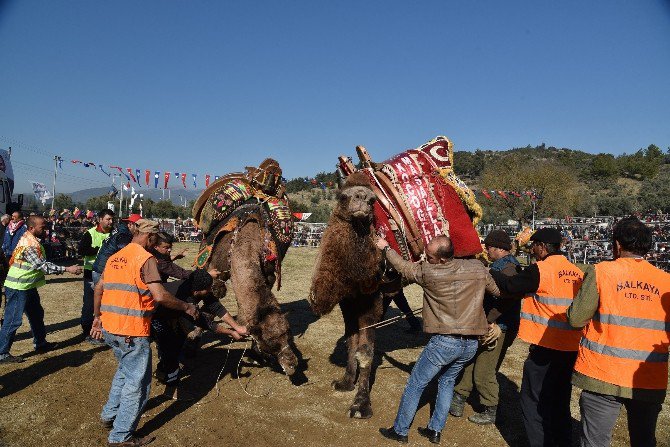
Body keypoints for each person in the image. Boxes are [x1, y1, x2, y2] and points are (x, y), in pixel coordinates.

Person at [377, 235, 501, 444]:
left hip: (445, 342)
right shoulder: (477, 267)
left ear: (443, 259)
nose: (425, 258)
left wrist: (386, 247)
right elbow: (496, 291)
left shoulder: (428, 272)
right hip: (470, 344)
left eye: (430, 257)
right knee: (447, 382)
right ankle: (435, 431)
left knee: (416, 384)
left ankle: (400, 430)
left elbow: (403, 267)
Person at [90, 219, 198, 447]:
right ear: (149, 238)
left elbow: (99, 288)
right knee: (138, 383)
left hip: (111, 327)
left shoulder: (115, 257)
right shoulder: (145, 259)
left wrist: (97, 317)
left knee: (123, 372)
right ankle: (121, 436)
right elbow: (160, 296)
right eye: (156, 239)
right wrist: (186, 306)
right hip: (132, 331)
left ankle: (109, 415)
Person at [567, 217, 670, 447]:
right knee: (644, 441)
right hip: (648, 379)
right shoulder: (666, 282)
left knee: (594, 442)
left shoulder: (601, 272)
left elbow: (576, 319)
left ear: (617, 245)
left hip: (602, 374)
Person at [491, 227, 584, 447]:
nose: (532, 250)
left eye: (533, 246)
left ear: (542, 247)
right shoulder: (577, 272)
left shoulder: (540, 270)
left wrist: (492, 272)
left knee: (532, 399)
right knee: (560, 399)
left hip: (545, 345)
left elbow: (511, 285)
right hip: (571, 348)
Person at [450, 230, 521, 425]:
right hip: (487, 324)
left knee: (484, 371)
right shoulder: (502, 265)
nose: (486, 250)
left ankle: (491, 408)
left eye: (489, 247)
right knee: (470, 360)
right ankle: (459, 396)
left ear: (499, 248)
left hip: (498, 326)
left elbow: (507, 300)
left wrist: (491, 321)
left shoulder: (508, 269)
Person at [152, 269, 248, 398]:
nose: (209, 291)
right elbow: (206, 323)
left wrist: (237, 327)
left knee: (177, 343)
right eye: (207, 289)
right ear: (196, 291)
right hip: (154, 316)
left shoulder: (197, 286)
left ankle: (163, 371)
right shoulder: (184, 299)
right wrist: (230, 332)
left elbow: (216, 306)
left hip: (171, 316)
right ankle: (171, 389)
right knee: (171, 349)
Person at [0, 216, 83, 363]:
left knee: (37, 314)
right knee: (13, 321)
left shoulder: (30, 239)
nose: (45, 230)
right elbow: (42, 266)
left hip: (27, 285)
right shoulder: (29, 244)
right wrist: (67, 268)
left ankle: (41, 344)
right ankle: (2, 353)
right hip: (18, 287)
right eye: (42, 227)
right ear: (32, 228)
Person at [79, 209, 114, 341]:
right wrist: (99, 250)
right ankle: (87, 330)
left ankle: (105, 329)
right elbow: (81, 250)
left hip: (109, 274)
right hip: (90, 274)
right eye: (108, 219)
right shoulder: (90, 233)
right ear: (100, 219)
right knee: (89, 303)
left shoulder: (114, 235)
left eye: (112, 219)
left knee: (105, 303)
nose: (111, 222)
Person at [92, 213, 141, 286]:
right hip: (102, 272)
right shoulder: (124, 235)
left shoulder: (120, 230)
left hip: (100, 269)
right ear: (130, 224)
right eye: (139, 226)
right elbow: (126, 254)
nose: (140, 230)